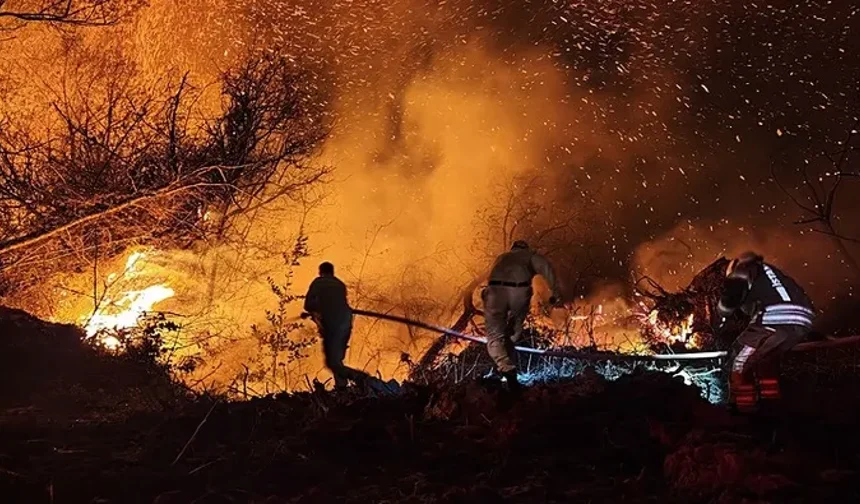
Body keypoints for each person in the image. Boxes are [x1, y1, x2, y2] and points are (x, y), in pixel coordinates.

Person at [717, 251, 815, 413]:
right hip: (802, 320)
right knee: (765, 361)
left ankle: (743, 409)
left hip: (775, 318)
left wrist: (722, 314)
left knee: (739, 358)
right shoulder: (771, 273)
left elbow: (730, 299)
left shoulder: (743, 269)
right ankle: (770, 407)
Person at [483, 240, 561, 390]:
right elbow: (547, 269)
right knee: (514, 332)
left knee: (494, 335)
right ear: (526, 248)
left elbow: (490, 275)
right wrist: (556, 295)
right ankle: (508, 368)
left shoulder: (501, 258)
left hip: (494, 292)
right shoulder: (530, 256)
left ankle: (505, 368)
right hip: (519, 292)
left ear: (512, 249)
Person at [303, 262, 369, 389]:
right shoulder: (340, 284)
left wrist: (316, 310)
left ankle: (360, 378)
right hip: (346, 323)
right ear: (332, 272)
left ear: (320, 272)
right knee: (337, 360)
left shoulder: (318, 283)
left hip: (332, 326)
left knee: (332, 363)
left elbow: (308, 305)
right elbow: (341, 304)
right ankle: (341, 388)